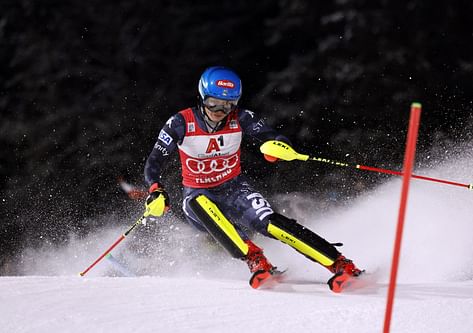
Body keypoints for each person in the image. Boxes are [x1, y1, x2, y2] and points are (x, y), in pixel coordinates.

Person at [143, 66, 363, 292]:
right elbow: (154, 161)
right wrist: (156, 190)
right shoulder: (180, 123)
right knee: (199, 203)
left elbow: (271, 136)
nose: (219, 110)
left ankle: (341, 265)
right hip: (198, 193)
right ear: (201, 98)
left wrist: (277, 147)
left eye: (227, 105)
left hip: (235, 188)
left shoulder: (242, 117)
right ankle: (255, 260)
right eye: (213, 103)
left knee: (272, 224)